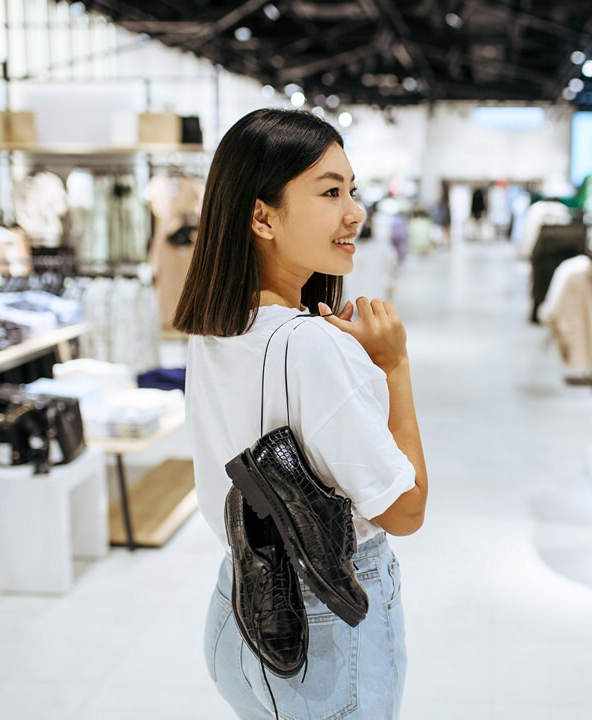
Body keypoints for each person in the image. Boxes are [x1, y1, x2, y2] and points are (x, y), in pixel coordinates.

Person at [174, 108, 428, 719]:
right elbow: (406, 509)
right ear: (262, 215)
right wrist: (393, 367)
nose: (355, 212)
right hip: (322, 626)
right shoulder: (312, 344)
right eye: (330, 191)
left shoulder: (215, 328)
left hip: (238, 604)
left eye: (353, 190)